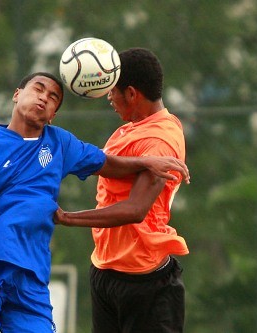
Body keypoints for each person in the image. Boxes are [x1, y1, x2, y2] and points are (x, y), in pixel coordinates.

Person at [0, 71, 190, 333]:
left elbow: (108, 164)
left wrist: (147, 161)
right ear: (17, 95)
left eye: (53, 98)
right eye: (38, 89)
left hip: (31, 275)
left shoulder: (59, 143)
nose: (44, 98)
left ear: (53, 115)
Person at [54, 48, 189, 333]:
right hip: (105, 270)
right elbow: (106, 165)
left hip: (144, 281)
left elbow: (135, 210)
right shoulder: (130, 129)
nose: (107, 97)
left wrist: (66, 217)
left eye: (111, 90)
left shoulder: (159, 140)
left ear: (131, 94)